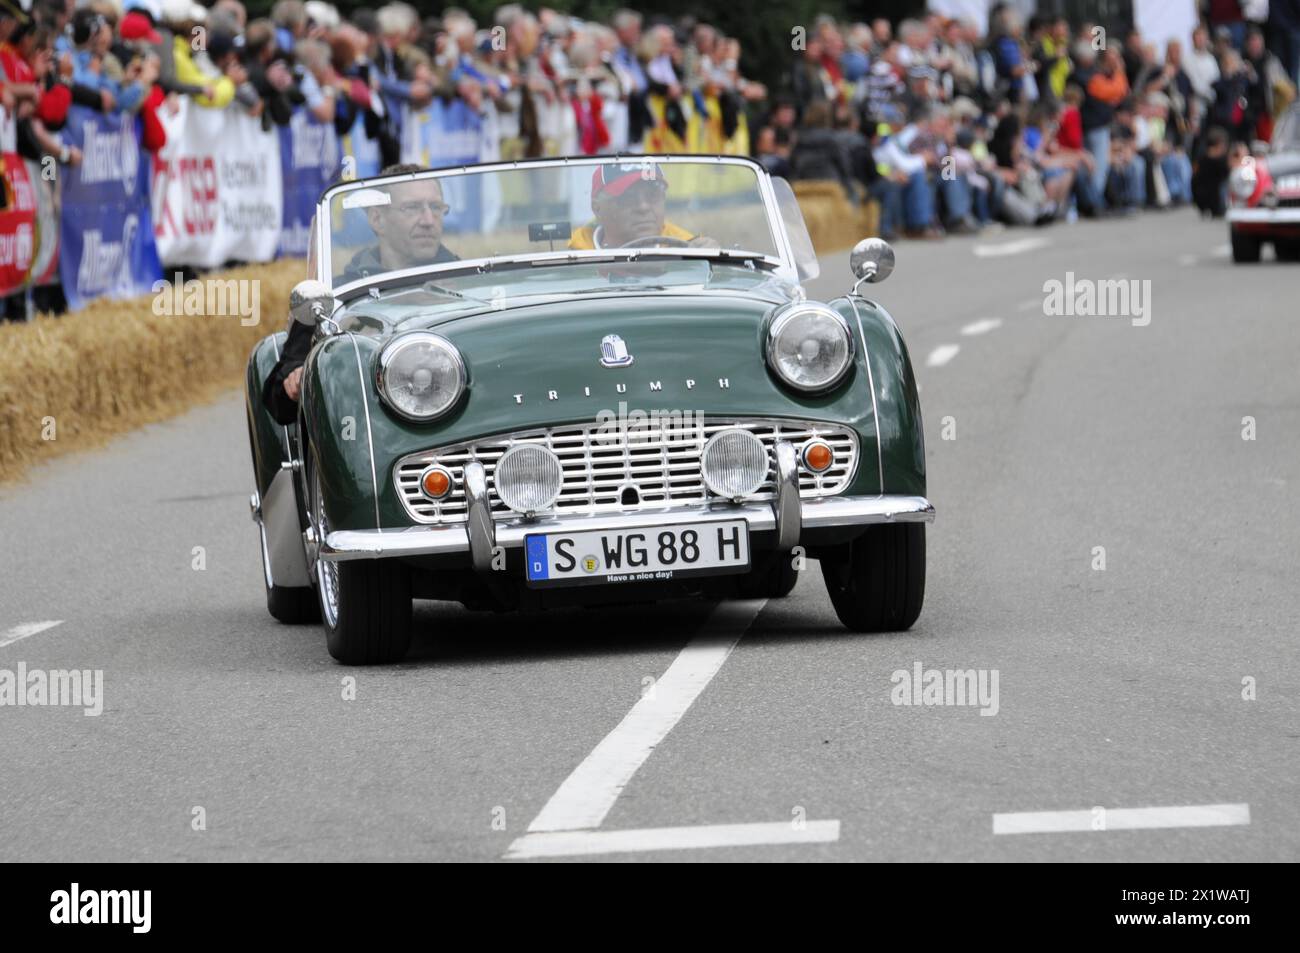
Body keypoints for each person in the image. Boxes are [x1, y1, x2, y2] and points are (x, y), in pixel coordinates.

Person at [262, 165, 457, 425]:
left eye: (436, 208)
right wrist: (299, 378)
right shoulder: (335, 299)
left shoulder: (469, 285)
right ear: (377, 219)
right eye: (412, 208)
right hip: (368, 430)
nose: (428, 220)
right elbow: (279, 401)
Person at [567, 163, 712, 249]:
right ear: (597, 209)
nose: (643, 207)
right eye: (627, 198)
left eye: (653, 195)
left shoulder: (688, 252)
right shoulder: (575, 264)